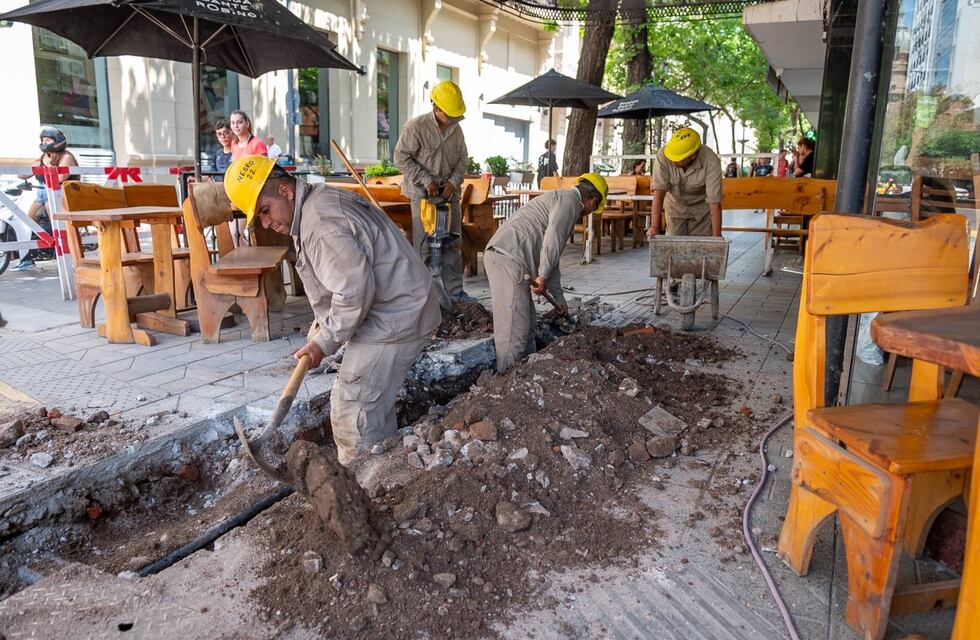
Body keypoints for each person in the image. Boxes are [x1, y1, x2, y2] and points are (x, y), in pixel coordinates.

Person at [223, 155, 440, 465]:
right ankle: (385, 463)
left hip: (397, 315)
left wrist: (324, 343)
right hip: (397, 302)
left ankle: (367, 482)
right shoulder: (317, 201)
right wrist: (322, 326)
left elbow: (352, 292)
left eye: (265, 210)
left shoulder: (320, 224)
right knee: (368, 403)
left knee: (354, 407)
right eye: (259, 217)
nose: (267, 222)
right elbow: (340, 281)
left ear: (285, 190)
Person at [484, 173, 607, 372]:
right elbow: (552, 241)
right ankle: (503, 383)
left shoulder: (563, 200)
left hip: (513, 260)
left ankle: (531, 372)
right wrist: (541, 276)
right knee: (514, 331)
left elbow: (552, 258)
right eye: (594, 208)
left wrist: (559, 301)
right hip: (508, 258)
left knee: (528, 325)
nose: (590, 212)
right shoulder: (570, 202)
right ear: (592, 201)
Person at [393, 80, 471, 303]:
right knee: (426, 245)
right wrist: (425, 180)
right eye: (450, 115)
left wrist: (454, 182)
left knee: (453, 243)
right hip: (422, 195)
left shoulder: (457, 130)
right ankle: (426, 294)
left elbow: (463, 160)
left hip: (449, 195)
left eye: (457, 115)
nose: (454, 119)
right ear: (436, 108)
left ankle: (455, 291)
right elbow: (400, 158)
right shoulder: (416, 127)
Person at [12, 127, 78, 271]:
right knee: (29, 220)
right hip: (43, 193)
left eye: (47, 139)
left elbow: (60, 178)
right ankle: (31, 255)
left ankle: (69, 254)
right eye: (42, 140)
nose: (44, 142)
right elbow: (24, 174)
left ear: (57, 141)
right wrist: (20, 172)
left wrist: (47, 166)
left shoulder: (66, 157)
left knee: (51, 210)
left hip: (63, 193)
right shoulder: (43, 158)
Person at [645, 128, 722, 239]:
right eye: (672, 158)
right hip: (674, 207)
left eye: (678, 159)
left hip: (701, 211)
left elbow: (714, 202)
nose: (673, 161)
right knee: (675, 248)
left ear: (693, 156)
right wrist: (654, 227)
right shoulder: (663, 156)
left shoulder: (711, 161)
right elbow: (659, 194)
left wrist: (716, 237)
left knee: (700, 250)